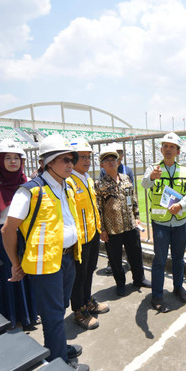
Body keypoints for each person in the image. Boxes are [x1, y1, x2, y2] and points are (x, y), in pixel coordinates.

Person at [1, 134, 89, 371]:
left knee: (59, 309)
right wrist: (15, 263)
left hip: (67, 258)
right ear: (49, 162)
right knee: (51, 314)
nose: (71, 164)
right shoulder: (30, 191)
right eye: (65, 160)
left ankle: (57, 346)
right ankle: (59, 365)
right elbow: (8, 229)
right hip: (45, 265)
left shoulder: (66, 186)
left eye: (72, 159)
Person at [0, 139, 37, 329]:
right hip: (3, 236)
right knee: (10, 274)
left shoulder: (28, 182)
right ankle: (12, 318)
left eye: (16, 158)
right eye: (8, 158)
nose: (13, 162)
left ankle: (30, 315)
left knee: (28, 273)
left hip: (25, 233)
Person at [141, 132, 186, 312]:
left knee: (179, 259)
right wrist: (151, 177)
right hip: (161, 223)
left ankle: (178, 287)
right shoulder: (153, 168)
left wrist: (180, 204)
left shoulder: (184, 170)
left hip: (180, 222)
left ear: (178, 151)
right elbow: (143, 185)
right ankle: (157, 295)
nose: (168, 149)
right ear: (161, 149)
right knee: (160, 260)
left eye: (172, 147)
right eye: (165, 146)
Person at [95, 146, 151, 296]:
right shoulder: (99, 185)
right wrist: (102, 229)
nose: (111, 162)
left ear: (118, 162)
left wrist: (137, 217)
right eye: (107, 160)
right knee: (115, 259)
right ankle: (120, 283)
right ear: (101, 165)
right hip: (112, 228)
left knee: (136, 254)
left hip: (130, 224)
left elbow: (133, 200)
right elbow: (98, 209)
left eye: (113, 159)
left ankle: (139, 279)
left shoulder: (126, 179)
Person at [68, 138, 109, 330]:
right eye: (82, 157)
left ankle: (88, 302)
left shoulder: (87, 179)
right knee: (79, 276)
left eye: (88, 157)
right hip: (79, 239)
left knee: (89, 271)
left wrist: (99, 229)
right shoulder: (69, 182)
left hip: (91, 234)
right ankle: (79, 311)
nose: (86, 160)